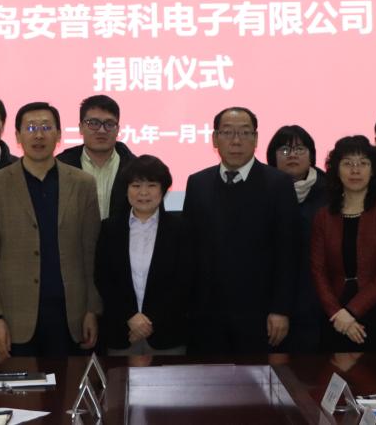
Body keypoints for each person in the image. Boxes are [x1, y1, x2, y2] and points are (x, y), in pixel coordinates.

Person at [0, 101, 102, 357]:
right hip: (15, 318)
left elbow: (91, 253)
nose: (39, 135)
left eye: (46, 127)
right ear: (18, 136)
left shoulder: (83, 183)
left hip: (70, 315)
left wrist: (92, 309)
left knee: (68, 382)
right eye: (31, 128)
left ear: (59, 134)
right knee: (22, 384)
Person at [182, 106, 298, 354]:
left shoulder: (278, 184)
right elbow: (190, 250)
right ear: (215, 139)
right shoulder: (198, 183)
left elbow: (288, 252)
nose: (236, 141)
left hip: (259, 314)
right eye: (227, 132)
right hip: (207, 315)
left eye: (245, 133)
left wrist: (281, 309)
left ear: (255, 139)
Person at [310, 135, 376, 352]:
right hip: (335, 314)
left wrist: (351, 312)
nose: (355, 170)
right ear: (336, 170)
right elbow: (318, 271)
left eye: (363, 163)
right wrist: (337, 313)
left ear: (373, 171)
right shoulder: (323, 216)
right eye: (348, 164)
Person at [94, 155, 192, 355]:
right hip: (121, 333)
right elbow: (103, 279)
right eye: (136, 185)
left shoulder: (181, 230)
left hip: (167, 334)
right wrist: (130, 317)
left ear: (164, 190)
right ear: (126, 189)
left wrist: (149, 322)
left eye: (152, 185)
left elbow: (184, 282)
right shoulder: (109, 229)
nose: (143, 193)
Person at [265, 125, 328, 352]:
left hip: (318, 300)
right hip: (270, 299)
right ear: (272, 157)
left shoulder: (330, 191)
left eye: (300, 149)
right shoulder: (261, 190)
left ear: (312, 155)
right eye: (284, 150)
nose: (292, 155)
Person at [57, 94, 136, 219]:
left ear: (117, 129)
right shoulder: (60, 166)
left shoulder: (135, 168)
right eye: (93, 123)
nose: (101, 130)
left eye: (109, 124)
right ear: (81, 128)